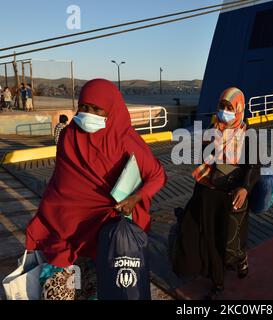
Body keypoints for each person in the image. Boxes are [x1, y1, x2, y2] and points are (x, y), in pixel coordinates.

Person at [25, 79, 167, 299]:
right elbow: (63, 179)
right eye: (83, 107)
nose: (88, 114)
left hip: (105, 229)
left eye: (96, 109)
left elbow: (156, 176)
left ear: (111, 109)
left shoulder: (124, 139)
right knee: (57, 289)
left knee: (103, 285)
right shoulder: (69, 134)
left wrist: (136, 198)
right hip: (67, 226)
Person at [172, 87, 260, 299]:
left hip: (231, 195)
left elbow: (254, 165)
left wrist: (245, 188)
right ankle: (218, 282)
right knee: (210, 239)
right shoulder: (212, 130)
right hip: (208, 192)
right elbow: (205, 160)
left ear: (239, 109)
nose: (224, 111)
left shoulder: (248, 135)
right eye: (222, 106)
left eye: (230, 107)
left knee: (231, 240)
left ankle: (241, 259)